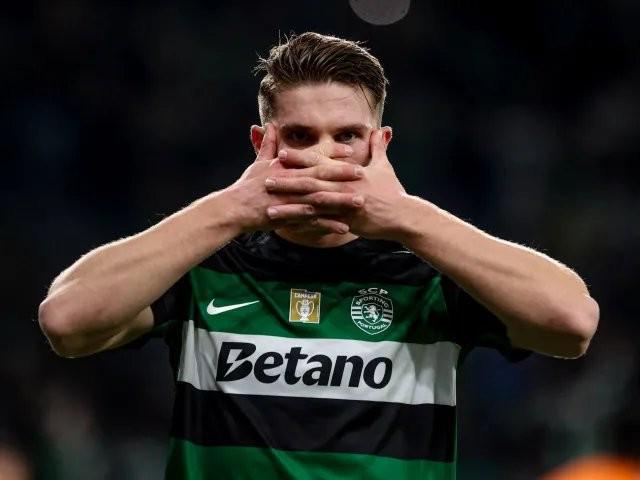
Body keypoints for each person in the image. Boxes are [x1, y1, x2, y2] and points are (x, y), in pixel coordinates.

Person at [38, 32, 600, 479]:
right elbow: (66, 321)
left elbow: (572, 323)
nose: (324, 158)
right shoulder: (206, 267)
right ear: (262, 145)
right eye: (300, 136)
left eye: (347, 136)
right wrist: (231, 208)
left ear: (380, 145)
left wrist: (407, 216)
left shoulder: (432, 273)